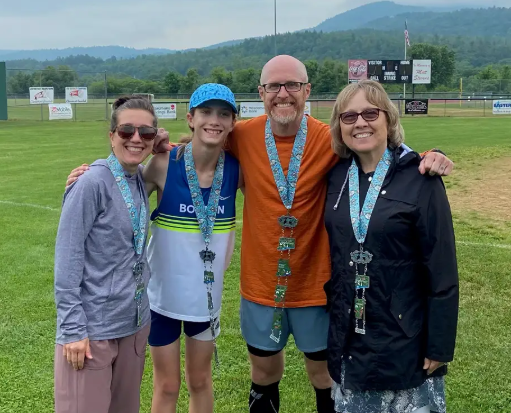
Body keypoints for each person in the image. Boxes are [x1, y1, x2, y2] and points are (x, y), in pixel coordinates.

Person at [67, 55, 454, 413]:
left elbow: (375, 143)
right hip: (259, 286)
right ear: (261, 94)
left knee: (324, 376)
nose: (283, 94)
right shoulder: (241, 135)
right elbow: (203, 139)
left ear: (306, 90)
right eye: (273, 86)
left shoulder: (331, 139)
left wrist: (424, 156)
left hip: (314, 286)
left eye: (292, 85)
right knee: (264, 374)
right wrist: (135, 152)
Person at [323, 80, 459, 413]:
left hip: (404, 339)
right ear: (339, 127)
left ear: (389, 119)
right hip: (349, 335)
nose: (360, 123)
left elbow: (441, 268)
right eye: (348, 116)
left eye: (370, 112)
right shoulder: (336, 176)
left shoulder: (421, 177)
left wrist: (439, 345)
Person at [142, 83, 242, 413]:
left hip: (205, 302)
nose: (214, 120)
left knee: (200, 382)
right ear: (190, 118)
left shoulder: (237, 172)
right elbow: (120, 193)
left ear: (232, 123)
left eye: (223, 114)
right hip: (162, 300)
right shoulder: (162, 165)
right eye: (206, 112)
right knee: (167, 385)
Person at [54, 96, 157, 413]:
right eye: (126, 131)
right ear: (112, 136)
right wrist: (73, 330)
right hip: (92, 333)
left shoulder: (138, 177)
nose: (136, 139)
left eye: (146, 133)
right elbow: (67, 258)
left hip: (134, 325)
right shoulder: (92, 182)